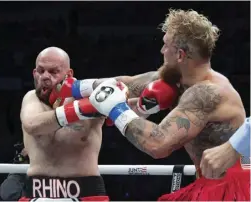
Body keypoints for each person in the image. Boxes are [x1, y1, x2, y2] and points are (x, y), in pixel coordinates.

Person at [87, 9, 250, 201]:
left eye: (165, 46)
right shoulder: (179, 80)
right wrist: (72, 88)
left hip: (232, 188)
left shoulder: (206, 93)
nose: (161, 51)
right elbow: (126, 83)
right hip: (208, 182)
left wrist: (117, 110)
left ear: (180, 55)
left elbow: (158, 144)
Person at [19, 46, 162, 201]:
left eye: (53, 72)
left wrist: (168, 77)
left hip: (85, 193)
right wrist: (79, 110)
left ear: (69, 75)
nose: (45, 77)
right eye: (41, 71)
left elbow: (128, 85)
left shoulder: (92, 96)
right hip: (36, 193)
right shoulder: (31, 98)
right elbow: (32, 124)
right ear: (34, 74)